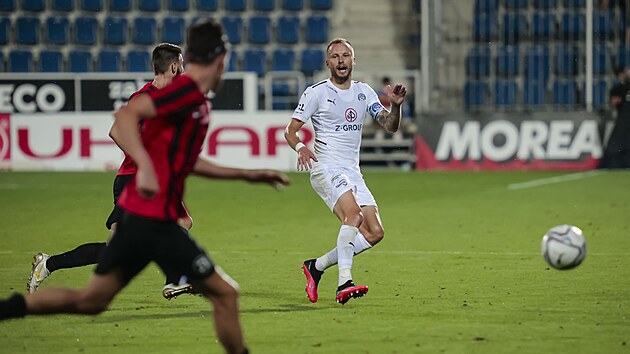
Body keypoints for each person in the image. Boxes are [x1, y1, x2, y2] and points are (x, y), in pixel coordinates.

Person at [0, 19, 290, 354]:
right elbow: (123, 120)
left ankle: (11, 306)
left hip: (148, 216)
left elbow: (187, 162)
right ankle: (174, 278)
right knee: (225, 293)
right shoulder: (180, 95)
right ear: (220, 59)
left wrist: (248, 175)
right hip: (151, 215)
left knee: (92, 299)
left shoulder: (194, 102)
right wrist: (145, 162)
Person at [27, 43, 196, 300]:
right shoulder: (144, 97)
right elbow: (116, 131)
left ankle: (49, 264)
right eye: (181, 64)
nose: (183, 69)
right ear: (173, 66)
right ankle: (174, 277)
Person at [284, 38, 407, 305]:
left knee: (375, 232)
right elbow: (290, 130)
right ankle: (344, 282)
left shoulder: (364, 92)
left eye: (346, 55)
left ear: (353, 60)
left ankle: (315, 266)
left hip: (352, 170)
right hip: (325, 166)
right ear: (328, 63)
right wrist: (302, 148)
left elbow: (390, 125)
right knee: (353, 216)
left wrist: (395, 106)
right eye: (335, 56)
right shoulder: (316, 92)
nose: (341, 60)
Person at [600, 66, 630, 169]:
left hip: (623, 120)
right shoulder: (618, 88)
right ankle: (616, 164)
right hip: (623, 119)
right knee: (619, 142)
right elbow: (613, 102)